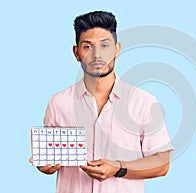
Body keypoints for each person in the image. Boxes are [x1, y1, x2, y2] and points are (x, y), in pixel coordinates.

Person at [29, 10, 173, 193]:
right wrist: (45, 165)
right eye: (87, 46)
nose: (97, 55)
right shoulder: (59, 103)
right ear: (76, 52)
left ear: (117, 49)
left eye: (104, 46)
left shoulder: (143, 102)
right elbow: (48, 158)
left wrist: (118, 168)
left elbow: (162, 164)